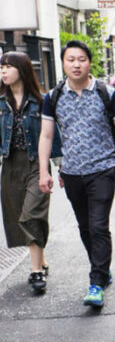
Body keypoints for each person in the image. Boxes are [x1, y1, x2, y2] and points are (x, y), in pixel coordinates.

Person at [38, 40, 115, 308]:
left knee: (98, 226)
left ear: (89, 62)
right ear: (63, 63)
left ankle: (96, 283)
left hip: (103, 169)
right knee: (84, 227)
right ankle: (102, 268)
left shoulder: (107, 93)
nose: (76, 64)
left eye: (81, 59)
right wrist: (44, 171)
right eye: (71, 60)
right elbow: (46, 135)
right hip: (71, 172)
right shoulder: (52, 97)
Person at [0, 52, 61, 293]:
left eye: (8, 67)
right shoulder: (1, 103)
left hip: (37, 164)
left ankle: (36, 271)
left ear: (22, 70)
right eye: (1, 67)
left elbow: (53, 136)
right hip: (10, 165)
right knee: (19, 218)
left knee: (31, 215)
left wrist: (61, 167)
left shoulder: (41, 101)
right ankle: (41, 260)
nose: (3, 71)